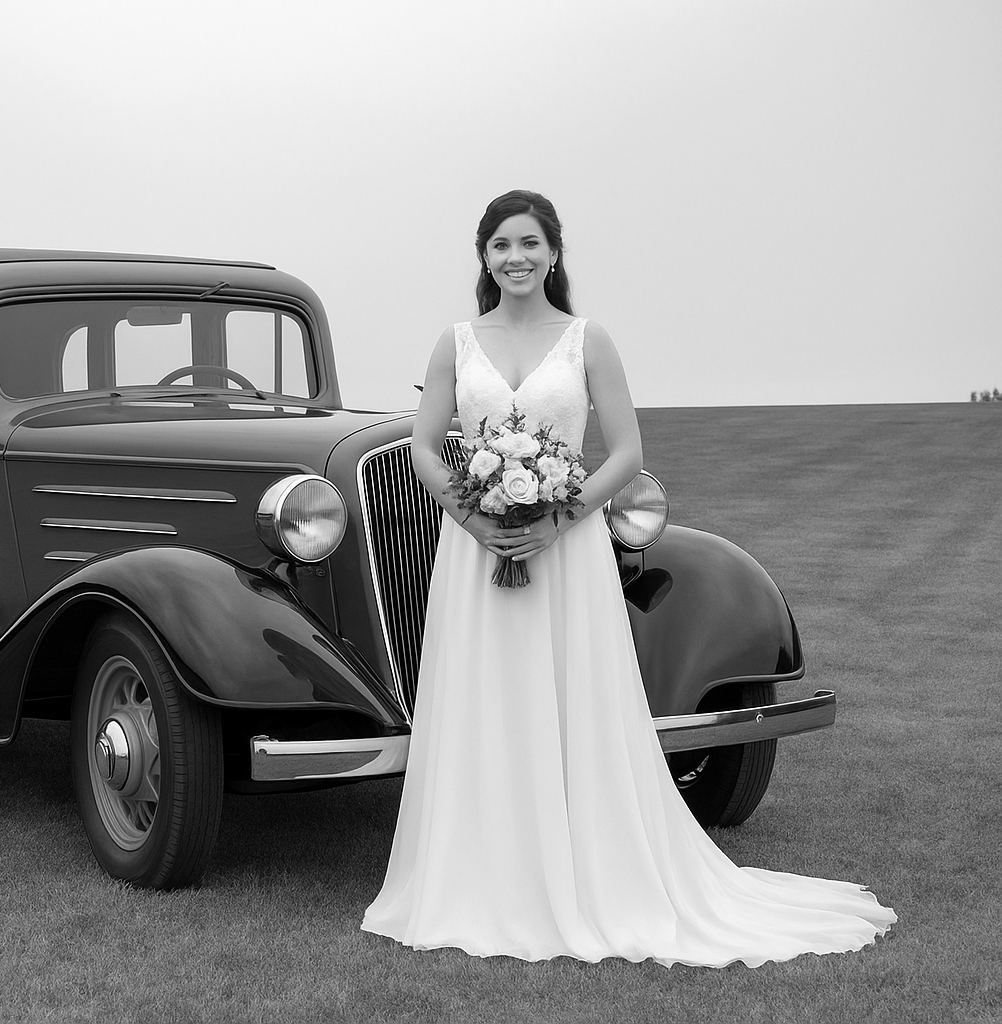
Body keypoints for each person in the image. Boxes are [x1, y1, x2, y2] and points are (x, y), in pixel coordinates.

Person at [360, 190, 896, 966]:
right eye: (502, 245)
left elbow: (626, 452)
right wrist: (476, 521)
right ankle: (481, 874)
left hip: (566, 547)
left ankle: (588, 867)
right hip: (474, 553)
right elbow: (422, 448)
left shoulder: (587, 340)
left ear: (554, 253)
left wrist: (557, 515)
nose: (516, 258)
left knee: (571, 695)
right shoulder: (454, 343)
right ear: (483, 255)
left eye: (531, 244)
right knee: (486, 697)